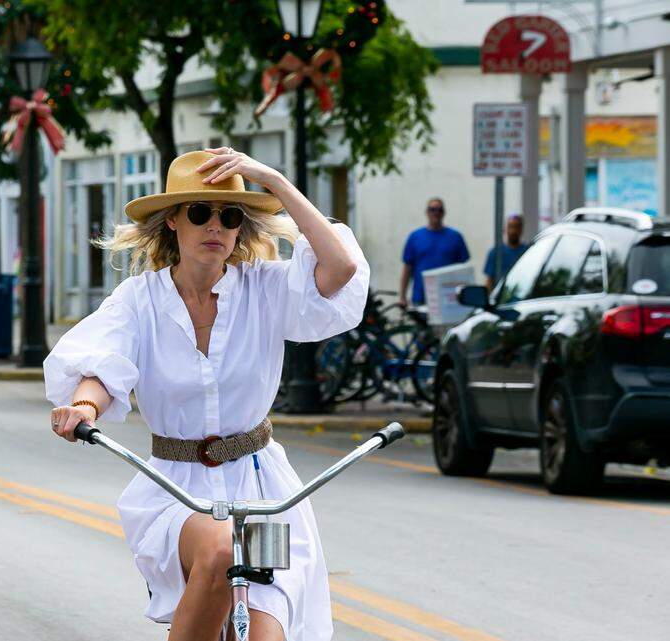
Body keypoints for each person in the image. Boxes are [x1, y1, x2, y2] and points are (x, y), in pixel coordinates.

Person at [45, 149, 369, 641]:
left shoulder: (266, 288)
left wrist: (274, 181)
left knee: (266, 636)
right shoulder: (139, 299)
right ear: (173, 221)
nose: (215, 225)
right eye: (199, 212)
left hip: (262, 489)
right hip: (176, 488)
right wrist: (83, 407)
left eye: (230, 215)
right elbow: (101, 363)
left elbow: (341, 267)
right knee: (220, 550)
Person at [399, 197, 469, 308]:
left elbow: (463, 271)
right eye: (432, 209)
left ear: (444, 213)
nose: (436, 213)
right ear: (426, 212)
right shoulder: (415, 237)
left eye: (439, 210)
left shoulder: (455, 237)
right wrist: (402, 297)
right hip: (421, 298)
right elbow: (407, 268)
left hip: (448, 298)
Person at [484, 213, 529, 291]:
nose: (513, 231)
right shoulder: (495, 253)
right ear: (505, 229)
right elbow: (489, 281)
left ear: (521, 229)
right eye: (511, 227)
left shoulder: (528, 252)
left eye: (517, 227)